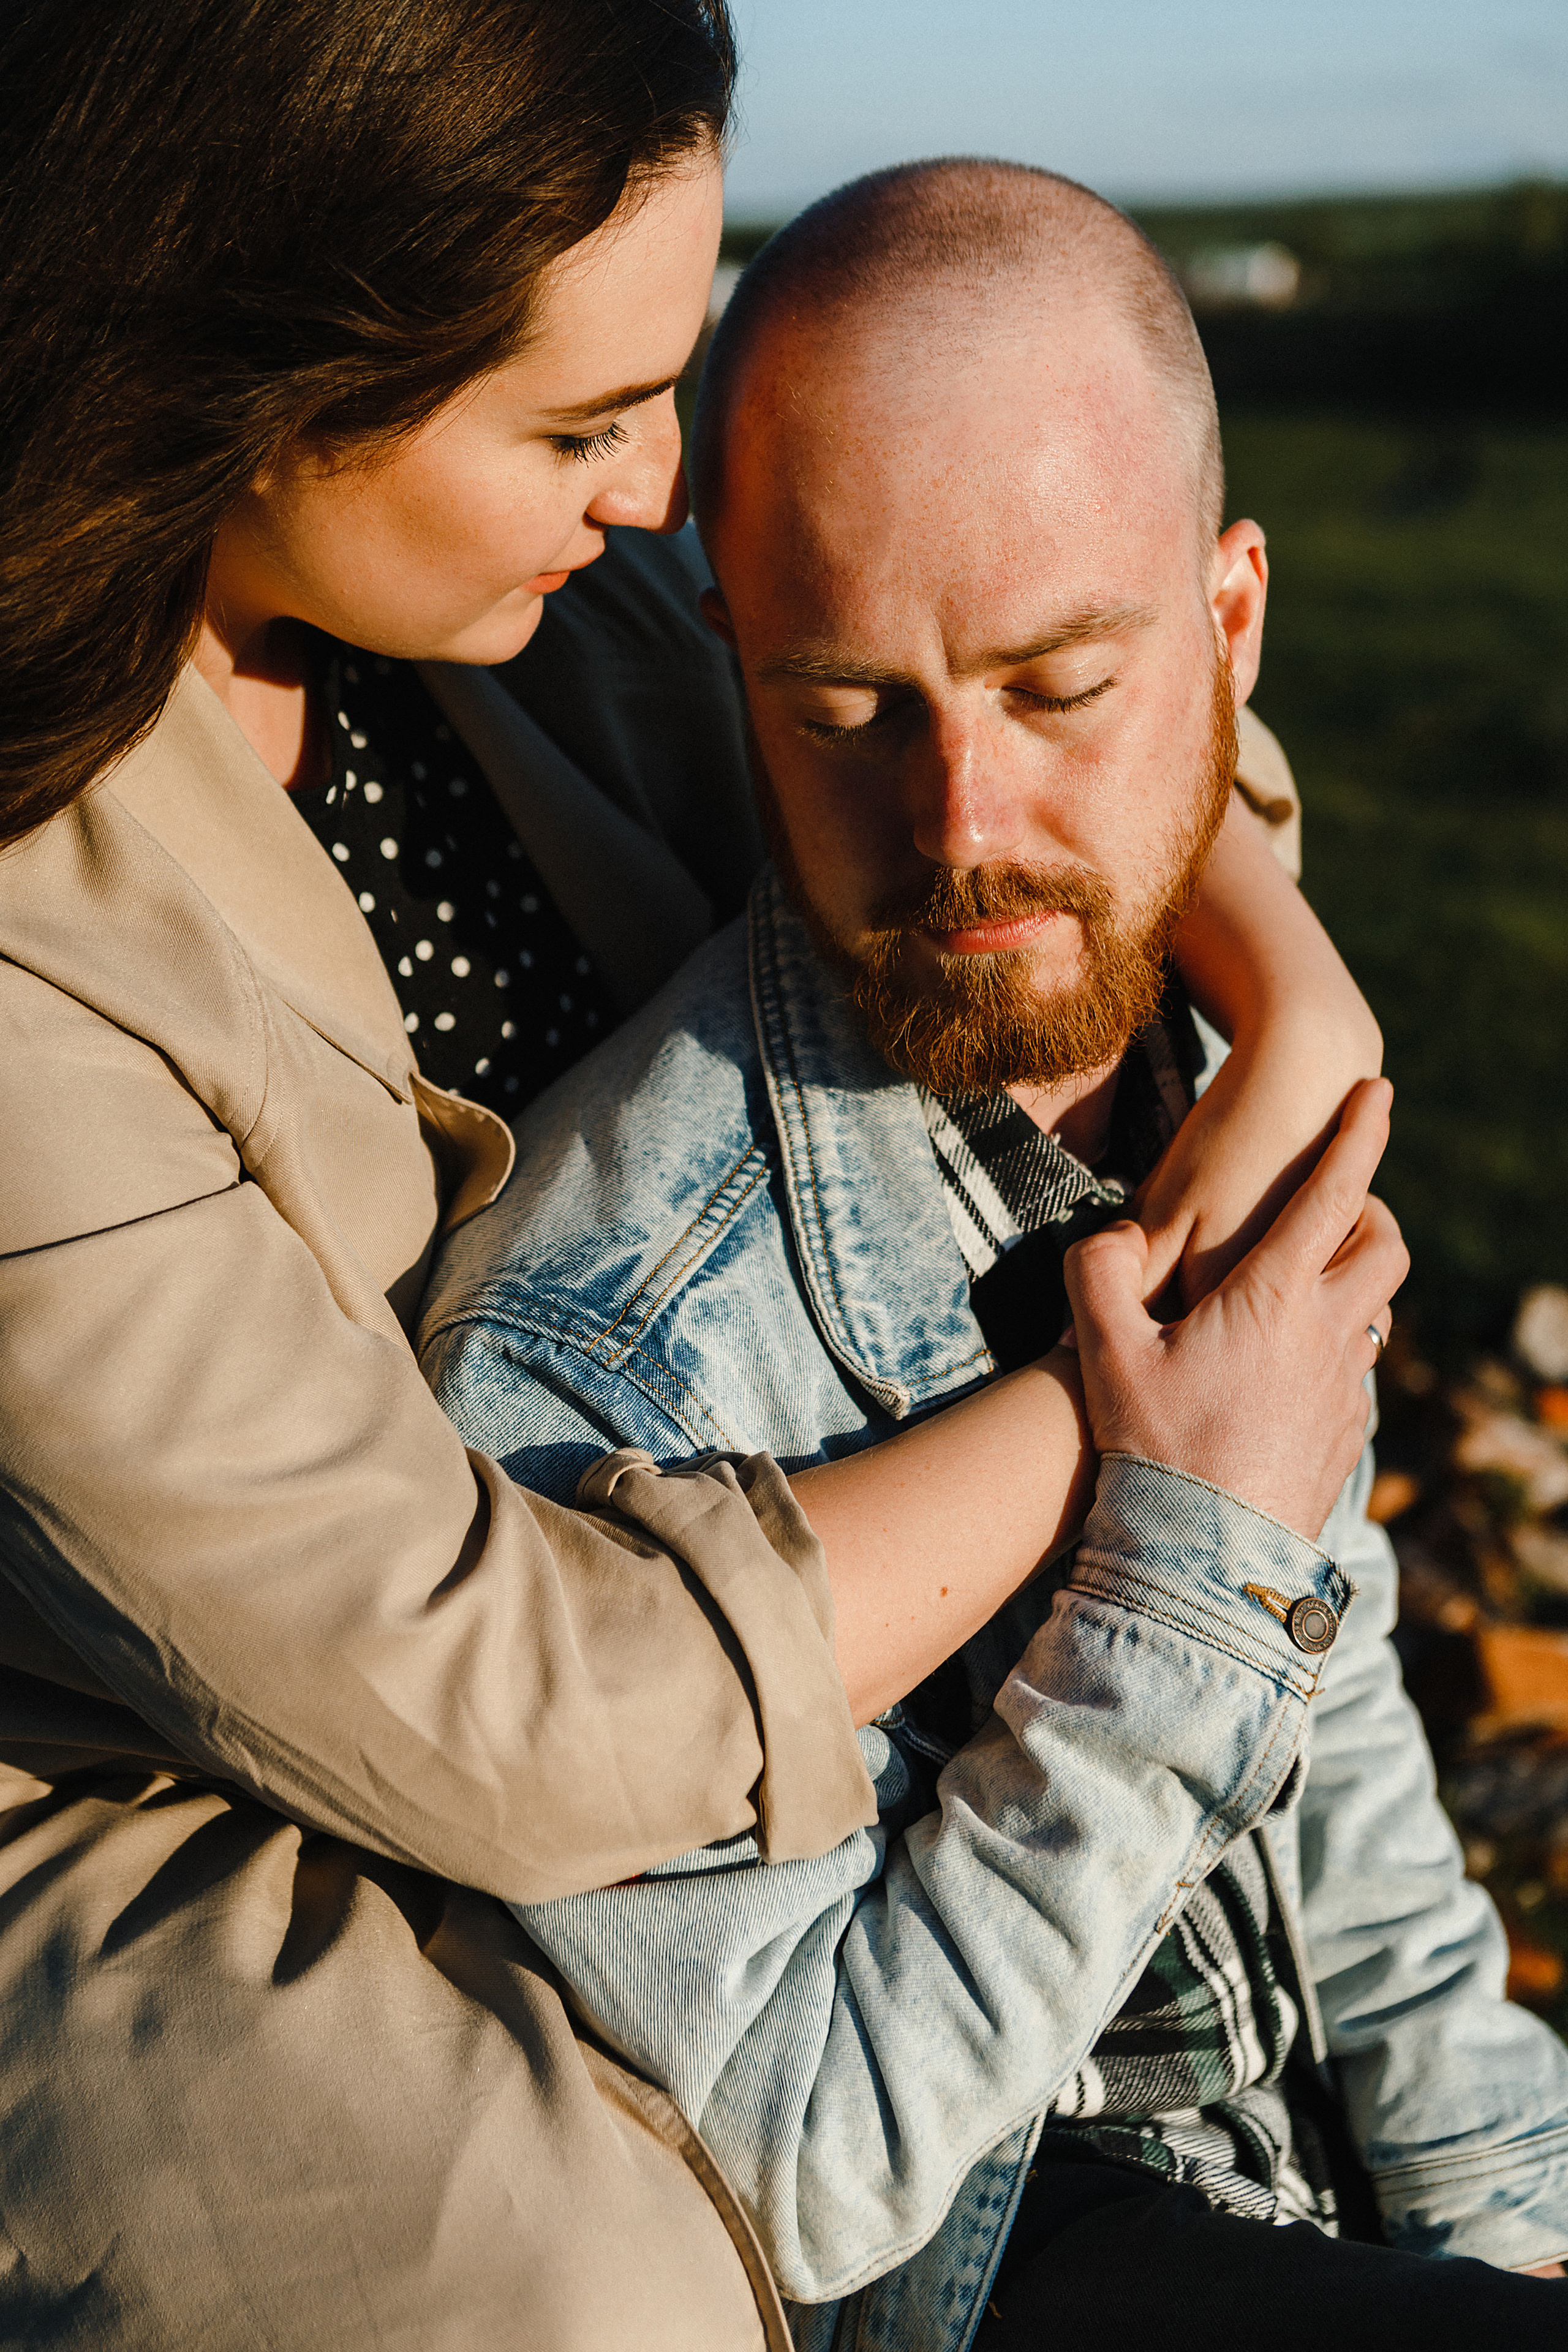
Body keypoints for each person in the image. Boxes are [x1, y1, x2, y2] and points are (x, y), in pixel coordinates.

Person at [0, 11, 1414, 2346]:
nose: (658, 488)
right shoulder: (42, 936)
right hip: (190, 1791)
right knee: (596, 2285)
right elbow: (487, 1696)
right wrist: (1154, 1410)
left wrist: (1283, 963)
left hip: (733, 1649)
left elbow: (1022, 689)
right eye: (579, 422)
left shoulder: (510, 613)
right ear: (243, 371)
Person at [420, 163, 1568, 2348]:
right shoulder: (598, 1338)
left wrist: (1513, 2202)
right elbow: (806, 2160)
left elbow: (1353, 1766)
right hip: (992, 2254)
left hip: (1300, 2175)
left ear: (1231, 627)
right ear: (732, 652)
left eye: (1059, 687)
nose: (963, 835)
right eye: (849, 710)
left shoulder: (1213, 1054)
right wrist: (1191, 1564)